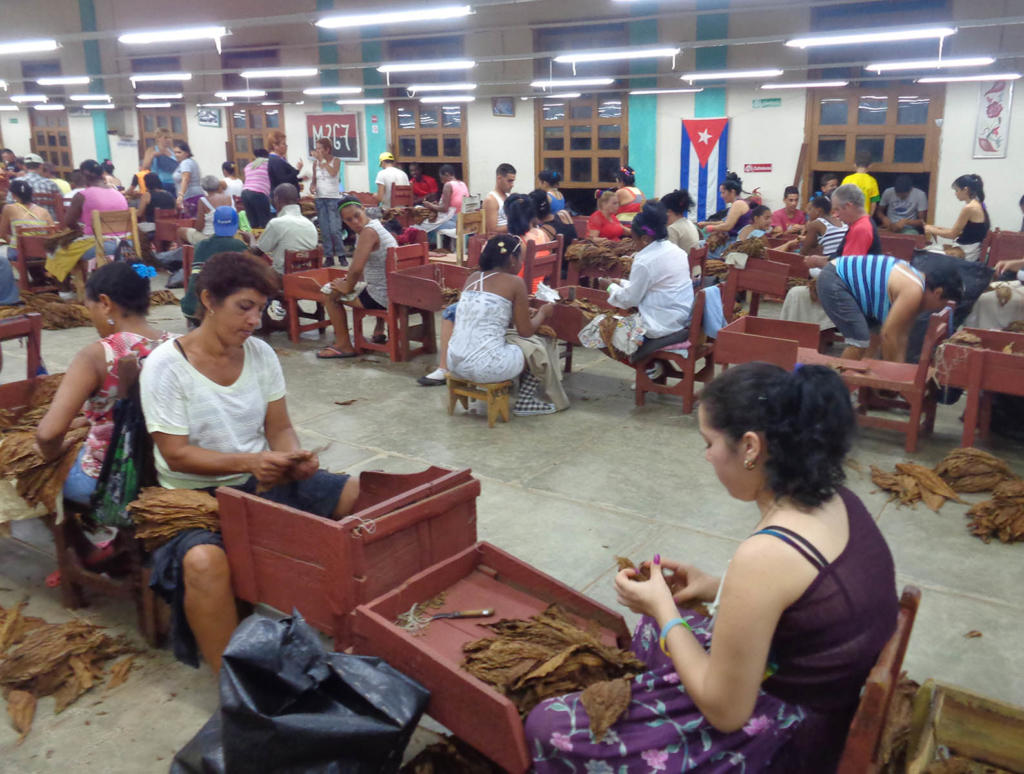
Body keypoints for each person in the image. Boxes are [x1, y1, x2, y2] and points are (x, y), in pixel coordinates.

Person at [526, 361, 899, 774]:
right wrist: (713, 587)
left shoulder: (767, 554)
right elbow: (799, 597)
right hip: (823, 686)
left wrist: (663, 609)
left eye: (710, 442)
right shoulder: (837, 499)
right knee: (654, 634)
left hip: (794, 735)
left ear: (752, 448)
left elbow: (727, 712)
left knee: (548, 725)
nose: (706, 456)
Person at [141, 252, 360, 672]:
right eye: (244, 307)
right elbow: (175, 453)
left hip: (261, 478)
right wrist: (251, 461)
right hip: (194, 497)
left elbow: (279, 428)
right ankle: (233, 685)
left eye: (260, 308)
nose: (254, 319)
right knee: (203, 562)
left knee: (357, 495)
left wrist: (292, 456)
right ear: (208, 300)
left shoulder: (260, 355)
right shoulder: (166, 367)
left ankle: (354, 623)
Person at [35, 262, 170, 507]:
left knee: (31, 471)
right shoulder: (176, 345)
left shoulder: (97, 355)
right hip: (166, 471)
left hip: (110, 480)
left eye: (90, 308)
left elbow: (48, 433)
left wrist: (55, 453)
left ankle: (74, 540)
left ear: (105, 303)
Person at [447, 234, 564, 416]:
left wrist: (520, 312)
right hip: (487, 366)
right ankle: (525, 401)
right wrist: (542, 313)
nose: (521, 264)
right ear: (512, 259)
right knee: (538, 345)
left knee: (511, 340)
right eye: (521, 260)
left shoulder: (473, 277)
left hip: (454, 361)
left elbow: (489, 314)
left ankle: (518, 393)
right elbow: (525, 331)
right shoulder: (515, 282)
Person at [818, 254, 962, 361]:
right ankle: (834, 391)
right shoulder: (914, 290)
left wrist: (899, 371)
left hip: (849, 285)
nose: (935, 310)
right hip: (835, 279)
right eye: (941, 305)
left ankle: (861, 386)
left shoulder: (917, 293)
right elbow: (889, 335)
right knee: (860, 342)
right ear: (938, 293)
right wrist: (892, 374)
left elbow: (902, 336)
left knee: (872, 340)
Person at [599, 202, 694, 364]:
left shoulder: (644, 260)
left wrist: (609, 286)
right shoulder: (675, 251)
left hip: (662, 324)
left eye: (633, 238)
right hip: (681, 317)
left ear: (644, 239)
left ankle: (648, 367)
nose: (632, 242)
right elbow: (653, 287)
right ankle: (652, 366)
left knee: (599, 326)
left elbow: (631, 299)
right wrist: (621, 282)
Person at [317, 196, 397, 359]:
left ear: (363, 209)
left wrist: (345, 286)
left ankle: (344, 345)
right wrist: (348, 281)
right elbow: (361, 270)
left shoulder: (368, 232)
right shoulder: (374, 226)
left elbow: (356, 269)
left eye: (356, 215)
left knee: (330, 294)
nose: (355, 222)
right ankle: (378, 330)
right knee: (350, 283)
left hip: (382, 295)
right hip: (393, 288)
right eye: (348, 220)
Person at [46, 160, 129, 292]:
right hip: (126, 243)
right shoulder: (118, 194)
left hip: (100, 245)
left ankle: (65, 292)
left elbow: (68, 222)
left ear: (84, 175)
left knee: (55, 250)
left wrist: (78, 229)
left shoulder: (82, 196)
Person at [180, 207, 248, 326]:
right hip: (212, 312)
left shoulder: (201, 245)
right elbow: (253, 269)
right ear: (236, 226)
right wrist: (252, 241)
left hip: (189, 310)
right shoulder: (238, 246)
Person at [0, 179, 54, 304]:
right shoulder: (43, 211)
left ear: (13, 195)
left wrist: (14, 240)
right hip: (43, 252)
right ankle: (39, 280)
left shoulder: (9, 208)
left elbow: (2, 233)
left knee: (3, 255)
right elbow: (52, 232)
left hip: (20, 252)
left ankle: (9, 294)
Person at [246, 183, 318, 273]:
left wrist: (250, 238)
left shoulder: (276, 223)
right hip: (308, 275)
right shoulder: (310, 224)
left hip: (283, 277)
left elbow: (257, 252)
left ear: (276, 200)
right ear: (297, 200)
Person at [805, 184, 880, 269]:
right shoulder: (856, 225)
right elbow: (841, 256)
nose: (836, 215)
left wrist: (820, 263)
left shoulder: (861, 228)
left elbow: (850, 269)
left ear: (848, 206)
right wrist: (822, 259)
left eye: (837, 209)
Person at [923, 174, 990, 262]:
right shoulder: (977, 205)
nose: (955, 194)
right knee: (929, 248)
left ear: (965, 190)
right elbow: (959, 231)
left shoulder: (970, 208)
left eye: (956, 190)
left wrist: (930, 229)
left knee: (923, 252)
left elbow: (952, 234)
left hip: (967, 253)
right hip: (969, 249)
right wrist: (935, 228)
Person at [310, 137, 345, 267]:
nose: (317, 151)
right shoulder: (315, 164)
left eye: (320, 148)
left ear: (327, 149)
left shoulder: (336, 161)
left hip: (333, 198)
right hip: (320, 198)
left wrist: (322, 161)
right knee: (324, 229)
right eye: (316, 148)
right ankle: (329, 256)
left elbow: (333, 173)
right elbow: (314, 179)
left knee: (335, 229)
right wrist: (312, 186)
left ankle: (341, 255)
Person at [966, 256, 1024, 329]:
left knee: (988, 299)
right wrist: (1017, 263)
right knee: (979, 290)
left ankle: (992, 333)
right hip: (1019, 282)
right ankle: (975, 331)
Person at [178, 175, 233, 247]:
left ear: (204, 188)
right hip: (227, 236)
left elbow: (199, 227)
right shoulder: (228, 198)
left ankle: (187, 256)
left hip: (210, 239)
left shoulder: (203, 201)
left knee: (180, 231)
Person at [698, 172, 751, 239]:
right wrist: (705, 223)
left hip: (735, 241)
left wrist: (711, 228)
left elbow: (728, 226)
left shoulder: (738, 204)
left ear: (732, 191)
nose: (721, 196)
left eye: (723, 192)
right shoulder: (738, 203)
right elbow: (724, 222)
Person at [421, 164, 469, 238]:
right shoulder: (462, 184)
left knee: (422, 223)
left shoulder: (448, 185)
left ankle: (431, 245)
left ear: (447, 174)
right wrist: (437, 205)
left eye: (441, 178)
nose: (442, 181)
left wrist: (430, 206)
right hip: (464, 220)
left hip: (454, 222)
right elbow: (453, 204)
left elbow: (444, 209)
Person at [841, 151, 880, 216]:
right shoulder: (872, 181)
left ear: (855, 165)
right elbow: (874, 201)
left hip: (848, 216)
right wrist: (870, 215)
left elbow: (841, 198)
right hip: (863, 216)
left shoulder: (847, 179)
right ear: (870, 166)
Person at [241, 148, 273, 230]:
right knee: (265, 223)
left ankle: (255, 240)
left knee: (253, 223)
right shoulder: (268, 164)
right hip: (258, 193)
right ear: (267, 156)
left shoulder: (248, 166)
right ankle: (264, 242)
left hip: (245, 193)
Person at [661, 189, 700, 253]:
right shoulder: (689, 222)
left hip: (683, 262)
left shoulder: (673, 229)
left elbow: (669, 254)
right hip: (692, 261)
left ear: (668, 211)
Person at [141, 128, 178, 196]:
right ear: (158, 139)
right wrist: (152, 156)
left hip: (175, 184)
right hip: (160, 184)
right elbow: (144, 167)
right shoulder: (151, 150)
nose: (168, 140)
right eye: (165, 138)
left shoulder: (173, 150)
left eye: (170, 138)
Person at [172, 141, 203, 219]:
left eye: (179, 152)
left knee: (188, 222)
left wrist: (181, 195)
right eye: (175, 152)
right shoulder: (191, 162)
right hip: (196, 194)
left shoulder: (185, 163)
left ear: (187, 153)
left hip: (190, 196)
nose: (176, 155)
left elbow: (186, 178)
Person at [484, 163, 516, 234]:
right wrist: (516, 225)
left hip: (511, 238)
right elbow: (492, 231)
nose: (512, 185)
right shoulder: (491, 200)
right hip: (499, 242)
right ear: (499, 178)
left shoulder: (508, 196)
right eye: (509, 181)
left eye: (513, 181)